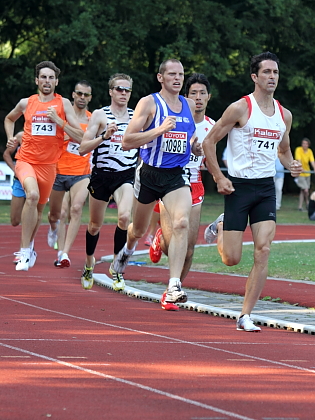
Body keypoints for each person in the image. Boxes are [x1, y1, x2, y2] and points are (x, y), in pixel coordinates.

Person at [202, 51, 302, 332]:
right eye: (267, 72)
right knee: (231, 258)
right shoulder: (240, 108)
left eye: (276, 72)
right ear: (255, 77)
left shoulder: (285, 115)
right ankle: (221, 223)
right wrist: (219, 177)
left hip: (265, 188)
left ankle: (245, 315)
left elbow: (283, 151)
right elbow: (210, 142)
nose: (272, 77)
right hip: (238, 186)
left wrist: (291, 163)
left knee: (263, 250)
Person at [113, 59, 201, 307]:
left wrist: (195, 146)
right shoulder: (149, 103)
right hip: (149, 173)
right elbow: (127, 141)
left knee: (182, 222)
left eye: (181, 74)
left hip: (176, 175)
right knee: (139, 229)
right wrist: (159, 130)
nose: (177, 78)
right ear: (160, 77)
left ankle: (173, 285)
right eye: (172, 74)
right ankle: (127, 251)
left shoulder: (187, 104)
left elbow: (188, 137)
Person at [4, 61, 83, 271]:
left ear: (56, 81)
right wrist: (11, 138)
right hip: (26, 161)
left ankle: (29, 248)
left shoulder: (63, 104)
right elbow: (9, 119)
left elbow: (81, 136)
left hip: (48, 167)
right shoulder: (26, 103)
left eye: (51, 78)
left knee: (38, 210)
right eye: (43, 77)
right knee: (26, 203)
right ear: (36, 80)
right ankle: (24, 252)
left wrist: (59, 121)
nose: (47, 81)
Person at [149, 73, 215, 310]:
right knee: (173, 240)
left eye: (202, 93)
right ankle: (160, 239)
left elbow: (210, 159)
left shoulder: (212, 126)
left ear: (209, 97)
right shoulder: (174, 117)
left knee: (188, 250)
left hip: (195, 183)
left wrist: (218, 174)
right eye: (193, 93)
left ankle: (172, 291)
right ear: (186, 97)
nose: (198, 98)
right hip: (172, 182)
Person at [79, 73, 138, 291]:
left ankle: (117, 267)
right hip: (102, 175)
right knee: (95, 225)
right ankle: (88, 263)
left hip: (125, 175)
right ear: (111, 91)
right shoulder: (99, 115)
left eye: (127, 90)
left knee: (124, 217)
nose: (124, 93)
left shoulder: (136, 116)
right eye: (119, 89)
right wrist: (104, 136)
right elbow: (83, 148)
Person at [47, 80, 93, 267]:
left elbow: (88, 141)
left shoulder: (92, 119)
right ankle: (52, 228)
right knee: (58, 213)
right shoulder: (62, 115)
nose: (82, 97)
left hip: (82, 172)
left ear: (90, 97)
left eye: (86, 95)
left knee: (75, 209)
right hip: (58, 171)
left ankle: (64, 253)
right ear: (73, 95)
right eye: (79, 94)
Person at [2, 131, 28, 263]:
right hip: (19, 180)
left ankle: (25, 250)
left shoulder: (46, 136)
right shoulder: (20, 136)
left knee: (28, 216)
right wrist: (14, 169)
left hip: (36, 180)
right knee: (15, 220)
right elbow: (6, 154)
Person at [294, 138, 315, 211]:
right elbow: (298, 160)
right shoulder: (298, 149)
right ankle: (307, 203)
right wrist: (301, 168)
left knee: (303, 191)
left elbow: (312, 161)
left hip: (307, 173)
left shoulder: (309, 151)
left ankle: (300, 206)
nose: (304, 145)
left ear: (308, 145)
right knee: (305, 190)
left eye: (306, 143)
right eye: (303, 143)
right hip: (301, 173)